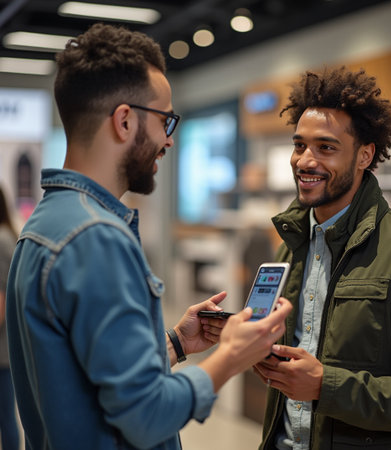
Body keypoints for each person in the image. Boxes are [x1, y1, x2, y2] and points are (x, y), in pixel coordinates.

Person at [6, 23, 292, 450]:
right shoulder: (97, 238)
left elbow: (86, 380)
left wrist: (175, 343)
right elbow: (146, 416)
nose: (169, 141)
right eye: (166, 121)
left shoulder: (44, 225)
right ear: (124, 121)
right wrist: (231, 356)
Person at [254, 66, 391, 449]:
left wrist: (326, 387)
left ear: (365, 156)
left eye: (326, 148)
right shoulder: (290, 246)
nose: (305, 161)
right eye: (299, 145)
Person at [0, 187, 20, 450]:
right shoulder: (8, 236)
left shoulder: (1, 240)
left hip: (2, 352)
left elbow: (1, 300)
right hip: (7, 350)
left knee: (6, 419)